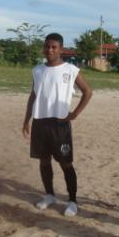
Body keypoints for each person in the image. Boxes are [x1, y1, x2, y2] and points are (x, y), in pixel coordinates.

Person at [22, 33, 92, 217]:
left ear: (61, 49)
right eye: (47, 46)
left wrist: (74, 114)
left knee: (66, 163)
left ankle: (72, 201)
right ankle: (50, 195)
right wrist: (26, 120)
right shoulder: (37, 70)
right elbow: (33, 95)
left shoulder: (70, 70)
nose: (49, 50)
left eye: (54, 47)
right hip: (40, 122)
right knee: (44, 161)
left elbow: (87, 92)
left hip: (60, 124)